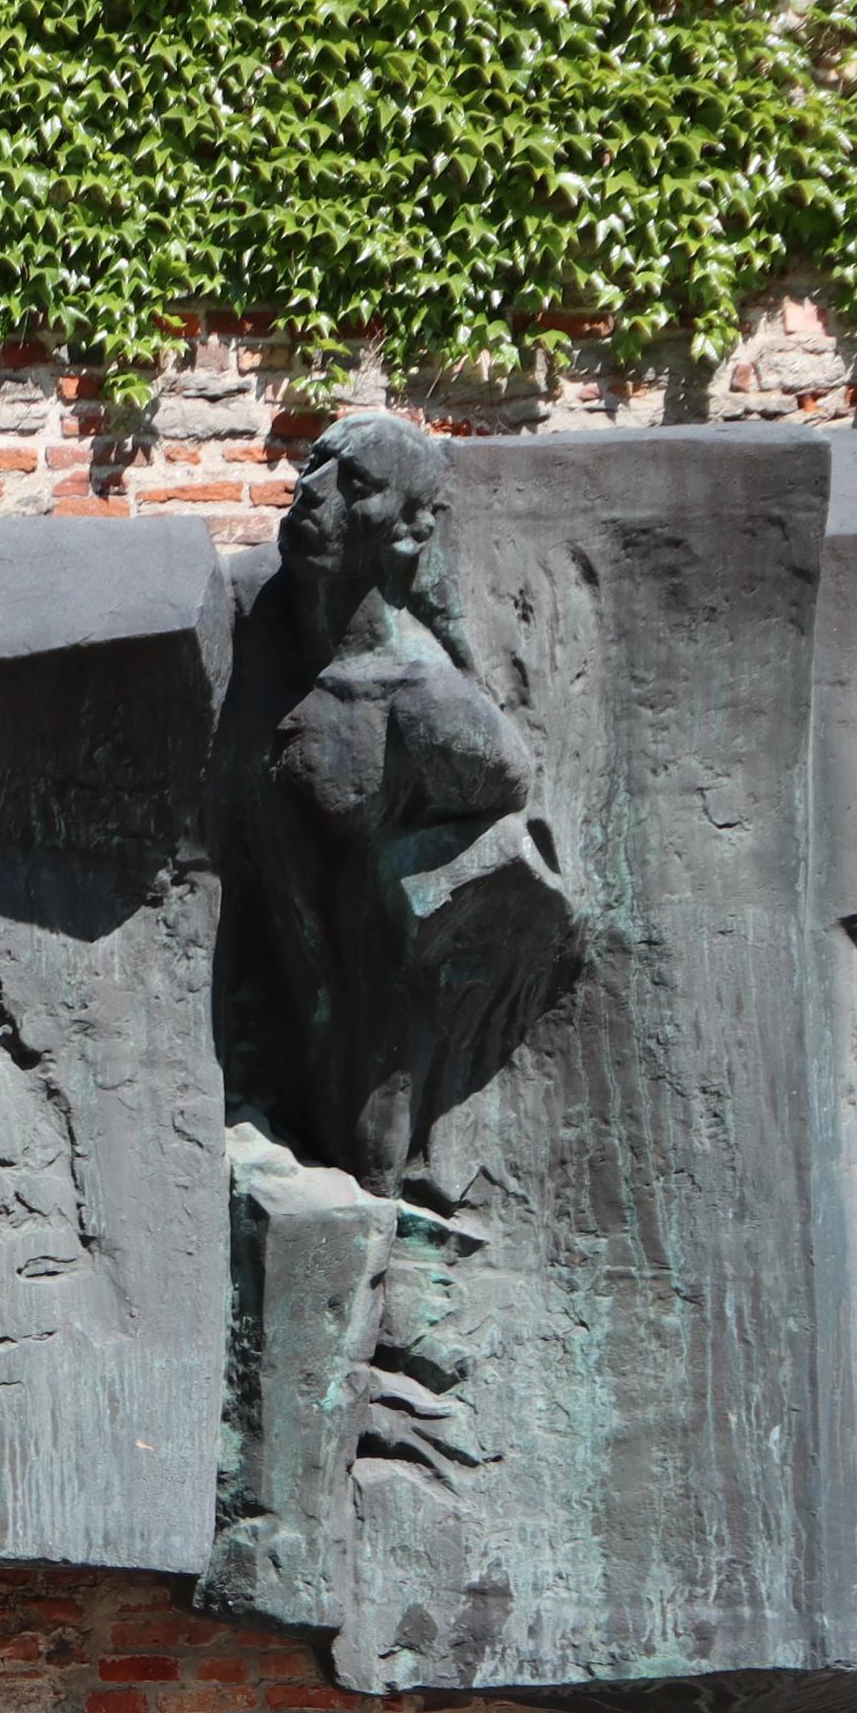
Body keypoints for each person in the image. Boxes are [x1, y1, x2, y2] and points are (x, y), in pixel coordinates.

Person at [236, 412, 573, 1195]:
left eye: (353, 485)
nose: (310, 494)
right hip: (269, 1008)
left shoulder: (424, 701)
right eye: (314, 466)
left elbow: (510, 799)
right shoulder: (257, 634)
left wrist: (403, 882)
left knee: (362, 1176)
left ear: (408, 529)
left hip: (367, 1036)